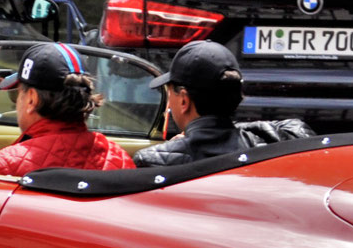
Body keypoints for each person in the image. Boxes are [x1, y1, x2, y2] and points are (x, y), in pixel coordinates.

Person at [133, 41, 313, 167]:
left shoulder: (152, 161)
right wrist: (224, 130)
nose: (168, 107)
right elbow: (297, 129)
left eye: (169, 94)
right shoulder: (270, 148)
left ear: (184, 101)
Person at [0, 44, 135, 176]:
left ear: (32, 99)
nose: (17, 102)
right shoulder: (119, 159)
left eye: (17, 94)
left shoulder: (2, 168)